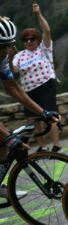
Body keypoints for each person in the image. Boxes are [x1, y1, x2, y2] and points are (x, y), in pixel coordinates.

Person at [0, 17, 60, 200]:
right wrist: (6, 136)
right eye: (1, 46)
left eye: (8, 45)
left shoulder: (2, 57)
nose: (5, 50)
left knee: (2, 138)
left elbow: (13, 88)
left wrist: (41, 111)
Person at [10, 4, 60, 152]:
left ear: (37, 39)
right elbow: (13, 70)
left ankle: (56, 145)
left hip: (45, 85)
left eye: (32, 39)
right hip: (28, 90)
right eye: (26, 40)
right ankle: (42, 146)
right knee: (33, 119)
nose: (29, 42)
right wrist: (10, 56)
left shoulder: (44, 48)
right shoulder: (20, 55)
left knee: (50, 116)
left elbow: (47, 30)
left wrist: (38, 14)